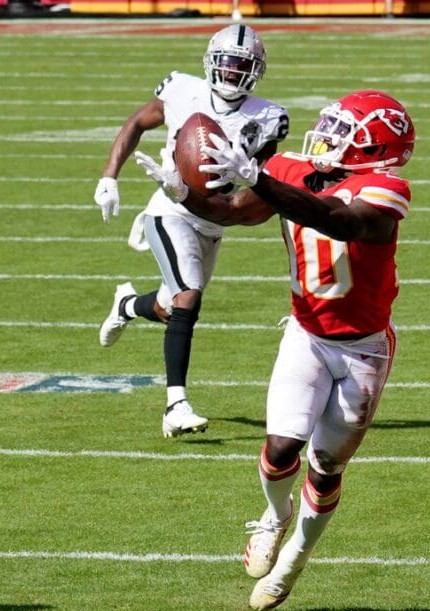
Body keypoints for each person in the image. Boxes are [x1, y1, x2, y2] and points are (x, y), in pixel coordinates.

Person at [134, 90, 415, 610]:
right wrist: (183, 194)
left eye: (343, 131)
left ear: (373, 147)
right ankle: (275, 515)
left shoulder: (386, 189)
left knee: (325, 469)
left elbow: (340, 220)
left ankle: (291, 565)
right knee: (281, 448)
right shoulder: (290, 169)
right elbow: (234, 212)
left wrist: (260, 178)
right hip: (306, 333)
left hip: (364, 350)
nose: (327, 136)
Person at [93, 24, 290, 437]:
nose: (233, 73)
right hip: (169, 210)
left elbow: (263, 190)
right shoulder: (182, 90)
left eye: (242, 66)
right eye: (228, 64)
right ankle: (175, 405)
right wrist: (110, 176)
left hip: (214, 219)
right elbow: (137, 122)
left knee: (170, 307)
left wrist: (251, 176)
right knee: (189, 296)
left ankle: (126, 305)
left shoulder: (268, 118)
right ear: (212, 62)